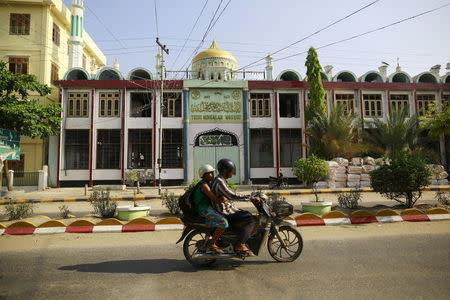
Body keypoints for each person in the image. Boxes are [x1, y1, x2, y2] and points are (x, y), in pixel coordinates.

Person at [211, 159, 261, 256]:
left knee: (246, 214)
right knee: (251, 220)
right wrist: (250, 198)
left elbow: (230, 194)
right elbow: (232, 195)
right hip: (225, 212)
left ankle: (236, 240)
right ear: (225, 171)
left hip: (227, 209)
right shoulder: (219, 181)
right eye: (231, 170)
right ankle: (240, 244)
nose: (232, 173)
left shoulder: (221, 180)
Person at [192, 164, 229, 254]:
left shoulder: (207, 183)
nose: (212, 175)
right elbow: (214, 199)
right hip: (204, 210)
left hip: (207, 208)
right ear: (204, 174)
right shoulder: (204, 186)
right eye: (210, 173)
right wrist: (224, 199)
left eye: (213, 173)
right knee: (224, 223)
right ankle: (212, 244)